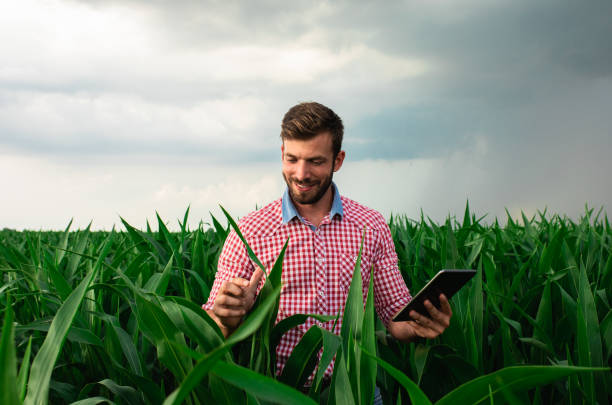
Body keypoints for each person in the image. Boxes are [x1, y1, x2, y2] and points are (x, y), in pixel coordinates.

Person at [203, 101, 452, 392]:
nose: (301, 173)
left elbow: (396, 317)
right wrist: (227, 315)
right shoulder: (250, 232)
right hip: (276, 393)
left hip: (356, 390)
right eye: (292, 159)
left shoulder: (371, 226)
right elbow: (211, 324)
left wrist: (422, 325)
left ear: (338, 160)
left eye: (316, 161)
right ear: (282, 154)